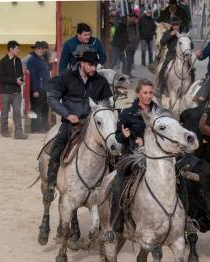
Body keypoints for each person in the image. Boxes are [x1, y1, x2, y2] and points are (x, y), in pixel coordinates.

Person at [44, 51, 112, 201]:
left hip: (93, 125)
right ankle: (50, 183)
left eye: (95, 65)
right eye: (90, 65)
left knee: (112, 149)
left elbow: (107, 104)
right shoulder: (66, 77)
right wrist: (67, 114)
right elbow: (53, 99)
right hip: (70, 123)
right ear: (81, 63)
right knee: (57, 147)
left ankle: (111, 184)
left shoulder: (101, 82)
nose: (94, 68)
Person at [108, 80, 157, 239]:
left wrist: (147, 141)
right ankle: (116, 225)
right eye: (145, 93)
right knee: (118, 184)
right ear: (137, 94)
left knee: (178, 178)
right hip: (131, 156)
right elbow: (117, 136)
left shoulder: (159, 112)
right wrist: (124, 136)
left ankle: (186, 221)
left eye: (150, 92)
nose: (148, 96)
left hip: (155, 156)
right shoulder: (127, 113)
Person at [0, 40, 27, 139]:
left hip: (16, 92)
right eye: (17, 48)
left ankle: (18, 133)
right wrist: (15, 81)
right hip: (5, 92)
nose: (18, 50)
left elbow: (20, 74)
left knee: (17, 112)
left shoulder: (18, 60)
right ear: (11, 49)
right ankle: (4, 131)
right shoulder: (2, 62)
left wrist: (21, 79)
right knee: (5, 112)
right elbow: (1, 78)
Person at [155, 16, 187, 97]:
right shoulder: (168, 32)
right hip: (171, 56)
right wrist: (170, 35)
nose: (176, 27)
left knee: (191, 70)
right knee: (162, 70)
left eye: (177, 25)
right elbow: (162, 42)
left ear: (179, 25)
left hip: (183, 56)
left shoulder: (183, 33)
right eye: (174, 25)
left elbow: (190, 44)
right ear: (172, 26)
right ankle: (160, 89)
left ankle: (189, 87)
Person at [27, 41, 52, 133]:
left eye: (42, 49)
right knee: (36, 109)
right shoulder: (32, 59)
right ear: (35, 49)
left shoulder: (43, 59)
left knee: (45, 108)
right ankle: (35, 128)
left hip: (44, 88)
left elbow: (48, 69)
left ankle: (44, 127)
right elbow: (32, 76)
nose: (41, 50)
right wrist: (35, 90)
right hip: (37, 88)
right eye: (39, 48)